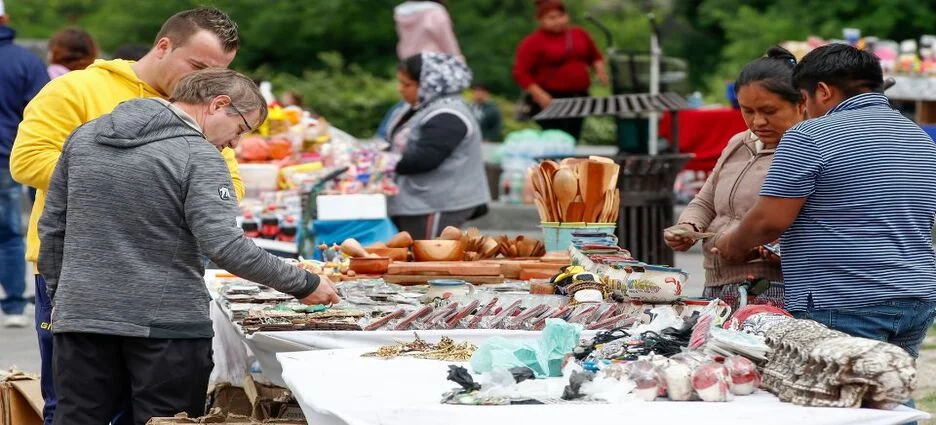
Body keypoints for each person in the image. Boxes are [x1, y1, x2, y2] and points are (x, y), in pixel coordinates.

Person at [38, 68, 340, 425]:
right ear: (218, 104)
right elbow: (226, 245)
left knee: (79, 418)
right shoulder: (198, 155)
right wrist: (303, 283)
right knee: (168, 420)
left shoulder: (84, 137)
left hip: (83, 319)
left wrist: (64, 299)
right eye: (241, 129)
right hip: (165, 328)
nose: (235, 144)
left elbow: (53, 227)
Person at [10, 7, 245, 425]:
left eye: (217, 72)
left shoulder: (203, 108)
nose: (202, 81)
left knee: (155, 413)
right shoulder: (76, 89)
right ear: (163, 45)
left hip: (163, 282)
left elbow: (230, 184)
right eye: (196, 66)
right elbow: (27, 160)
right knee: (74, 409)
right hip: (77, 273)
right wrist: (127, 186)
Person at [714, 44, 936, 359]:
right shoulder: (917, 137)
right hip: (916, 296)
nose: (804, 110)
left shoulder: (809, 136)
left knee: (838, 402)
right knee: (887, 394)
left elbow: (769, 221)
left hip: (845, 301)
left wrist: (731, 244)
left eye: (803, 100)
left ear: (822, 91)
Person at [664, 47, 804, 311]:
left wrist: (773, 250)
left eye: (769, 111)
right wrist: (689, 227)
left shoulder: (805, 152)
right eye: (747, 110)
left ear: (801, 103)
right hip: (717, 283)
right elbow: (705, 200)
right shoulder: (738, 143)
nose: (757, 121)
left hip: (772, 291)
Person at [387, 52, 490, 239]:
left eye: (407, 84)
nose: (400, 89)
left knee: (429, 262)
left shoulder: (449, 114)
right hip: (417, 200)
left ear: (430, 84)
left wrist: (381, 163)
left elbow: (426, 158)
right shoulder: (422, 106)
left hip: (438, 203)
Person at [0, 0, 49, 329]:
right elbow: (42, 114)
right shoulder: (26, 62)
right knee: (9, 234)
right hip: (6, 157)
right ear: (5, 19)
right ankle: (15, 304)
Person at [512, 0, 608, 140]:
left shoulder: (579, 34)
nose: (557, 21)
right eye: (551, 18)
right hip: (550, 98)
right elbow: (521, 72)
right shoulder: (533, 42)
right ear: (541, 20)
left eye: (560, 16)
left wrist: (600, 70)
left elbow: (594, 56)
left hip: (578, 96)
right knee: (554, 137)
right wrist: (539, 94)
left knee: (573, 135)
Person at [394, 0, 462, 61]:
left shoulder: (401, 13)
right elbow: (447, 43)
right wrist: (459, 61)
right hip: (434, 63)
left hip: (408, 63)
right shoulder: (435, 12)